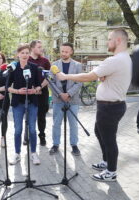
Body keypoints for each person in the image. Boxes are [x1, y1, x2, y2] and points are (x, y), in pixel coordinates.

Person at [51, 29, 132, 182]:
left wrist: (64, 76)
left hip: (110, 106)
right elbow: (109, 76)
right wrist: (105, 77)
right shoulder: (124, 58)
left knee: (109, 138)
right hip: (111, 105)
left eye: (109, 39)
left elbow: (88, 76)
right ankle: (107, 162)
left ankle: (111, 171)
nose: (107, 42)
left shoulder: (115, 60)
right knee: (99, 132)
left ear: (119, 40)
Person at [8, 43, 42, 165]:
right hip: (17, 103)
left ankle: (33, 153)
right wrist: (17, 91)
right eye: (22, 53)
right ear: (18, 54)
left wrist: (35, 90)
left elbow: (39, 85)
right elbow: (7, 87)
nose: (25, 55)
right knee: (18, 130)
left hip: (32, 101)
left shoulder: (34, 67)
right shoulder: (13, 67)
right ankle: (17, 154)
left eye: (27, 53)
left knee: (32, 130)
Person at [49, 42, 82, 156]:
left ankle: (74, 145)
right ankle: (55, 144)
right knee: (56, 123)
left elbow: (79, 82)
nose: (63, 53)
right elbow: (51, 82)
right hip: (58, 100)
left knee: (73, 124)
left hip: (72, 100)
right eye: (62, 51)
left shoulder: (77, 65)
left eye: (66, 51)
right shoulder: (54, 64)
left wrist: (68, 94)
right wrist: (60, 94)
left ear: (71, 52)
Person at [24, 40, 51, 146]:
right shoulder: (26, 60)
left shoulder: (45, 61)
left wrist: (40, 87)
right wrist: (32, 88)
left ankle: (42, 135)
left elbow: (48, 77)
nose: (41, 49)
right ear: (32, 48)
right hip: (29, 91)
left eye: (41, 47)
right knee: (29, 116)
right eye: (39, 47)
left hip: (42, 91)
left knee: (41, 115)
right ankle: (28, 135)